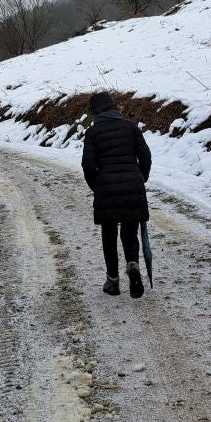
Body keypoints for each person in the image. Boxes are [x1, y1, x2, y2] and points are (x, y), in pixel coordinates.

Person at [81, 91, 152, 298]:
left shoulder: (93, 133)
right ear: (113, 107)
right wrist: (140, 179)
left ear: (95, 112)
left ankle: (112, 281)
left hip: (106, 188)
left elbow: (88, 166)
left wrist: (97, 187)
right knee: (130, 232)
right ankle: (133, 269)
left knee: (109, 234)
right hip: (133, 186)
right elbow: (145, 157)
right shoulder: (131, 127)